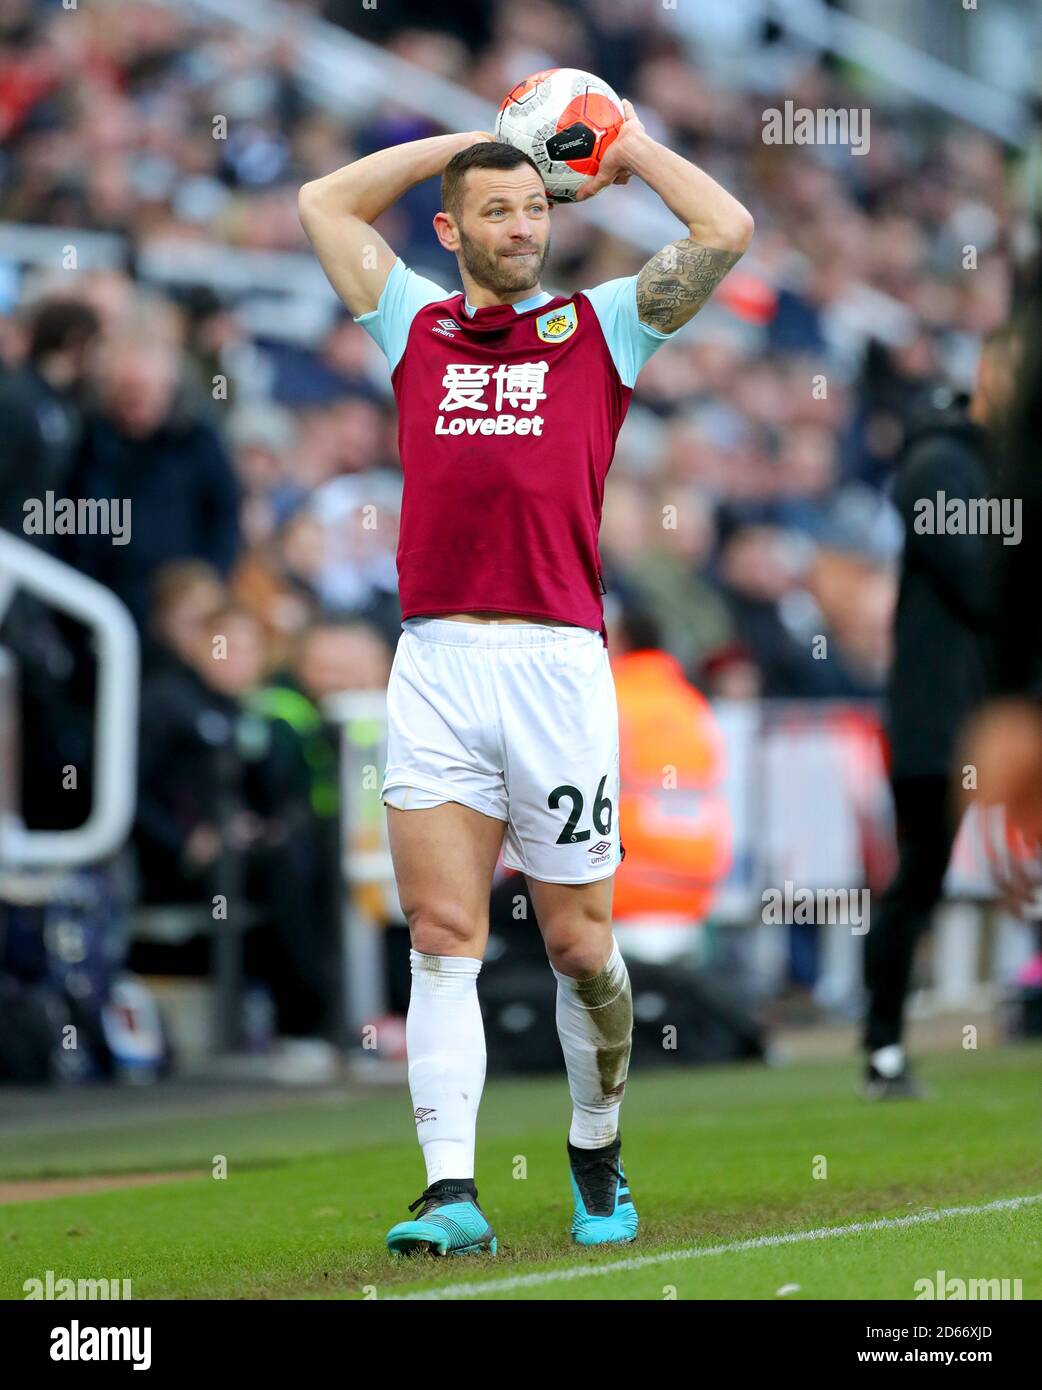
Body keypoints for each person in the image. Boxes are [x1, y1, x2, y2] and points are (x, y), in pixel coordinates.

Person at [299, 104, 753, 1253]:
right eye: (495, 209)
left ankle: (595, 1145)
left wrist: (626, 144)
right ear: (450, 230)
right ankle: (450, 1192)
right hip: (439, 659)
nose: (520, 224)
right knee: (443, 929)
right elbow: (322, 202)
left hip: (554, 666)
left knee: (577, 945)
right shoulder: (410, 321)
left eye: (535, 206)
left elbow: (727, 227)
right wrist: (464, 139)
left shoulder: (604, 326)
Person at [861, 325, 1020, 1099]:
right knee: (920, 877)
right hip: (940, 714)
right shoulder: (940, 464)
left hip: (996, 707)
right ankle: (883, 1048)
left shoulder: (996, 466)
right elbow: (980, 581)